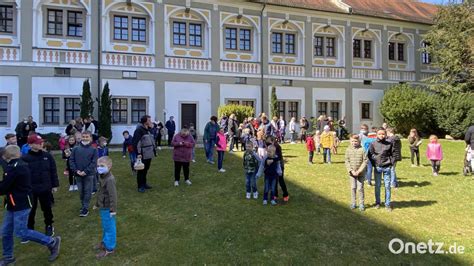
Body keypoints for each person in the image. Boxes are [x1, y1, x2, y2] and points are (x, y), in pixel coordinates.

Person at [0, 145, 61, 264]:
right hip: (13, 203)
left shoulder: (15, 167)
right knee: (6, 232)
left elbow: (3, 188)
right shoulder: (15, 166)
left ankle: (51, 242)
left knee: (21, 231)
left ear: (7, 155)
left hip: (20, 204)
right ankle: (8, 257)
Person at [21, 134, 59, 237]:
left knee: (47, 208)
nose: (41, 144)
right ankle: (29, 228)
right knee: (31, 210)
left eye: (41, 142)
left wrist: (54, 185)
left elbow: (53, 171)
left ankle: (49, 225)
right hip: (31, 189)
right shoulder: (25, 158)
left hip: (45, 187)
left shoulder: (47, 156)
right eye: (38, 143)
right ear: (30, 145)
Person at [69, 131, 98, 217]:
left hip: (89, 174)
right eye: (83, 136)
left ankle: (85, 208)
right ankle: (83, 205)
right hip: (78, 174)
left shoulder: (93, 150)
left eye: (87, 137)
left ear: (90, 138)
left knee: (87, 191)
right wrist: (76, 170)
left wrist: (85, 171)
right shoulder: (75, 149)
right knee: (81, 191)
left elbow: (94, 162)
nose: (85, 138)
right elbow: (71, 160)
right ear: (81, 137)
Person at [94, 156, 117, 258]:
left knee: (110, 228)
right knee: (105, 226)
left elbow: (113, 196)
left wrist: (112, 210)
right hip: (103, 207)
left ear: (109, 166)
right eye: (98, 166)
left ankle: (110, 248)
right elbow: (101, 192)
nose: (99, 168)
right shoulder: (102, 176)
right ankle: (104, 242)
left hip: (108, 208)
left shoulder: (110, 179)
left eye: (102, 166)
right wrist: (97, 204)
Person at [369, 128, 395, 211]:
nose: (381, 135)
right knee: (378, 186)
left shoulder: (389, 143)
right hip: (378, 167)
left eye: (383, 134)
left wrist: (391, 163)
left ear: (386, 134)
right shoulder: (373, 143)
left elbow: (393, 154)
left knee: (387, 186)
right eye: (379, 134)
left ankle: (387, 204)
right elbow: (370, 154)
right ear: (376, 134)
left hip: (387, 167)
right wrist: (374, 164)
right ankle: (377, 202)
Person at [132, 115, 156, 193]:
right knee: (141, 169)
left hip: (149, 153)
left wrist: (152, 127)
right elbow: (136, 143)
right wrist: (138, 153)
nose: (150, 121)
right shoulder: (139, 130)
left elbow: (153, 138)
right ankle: (140, 186)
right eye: (149, 120)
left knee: (146, 169)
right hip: (142, 153)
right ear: (145, 121)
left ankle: (144, 183)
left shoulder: (148, 130)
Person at [344, 134, 368, 211]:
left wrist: (359, 171)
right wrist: (351, 170)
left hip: (360, 173)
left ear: (359, 141)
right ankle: (353, 203)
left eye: (356, 141)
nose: (354, 142)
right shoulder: (348, 149)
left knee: (360, 188)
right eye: (352, 141)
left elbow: (365, 161)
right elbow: (346, 161)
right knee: (353, 188)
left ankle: (361, 204)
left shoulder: (363, 149)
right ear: (350, 141)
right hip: (352, 173)